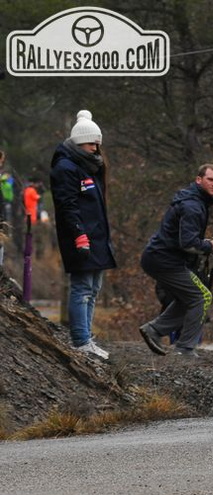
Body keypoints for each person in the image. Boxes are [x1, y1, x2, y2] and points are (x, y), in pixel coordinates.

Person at [139, 164, 213, 358]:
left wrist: (207, 243)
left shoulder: (195, 201)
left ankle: (153, 330)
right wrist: (209, 246)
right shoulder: (193, 206)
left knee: (188, 297)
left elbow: (184, 240)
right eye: (210, 180)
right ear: (199, 180)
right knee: (202, 296)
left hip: (159, 258)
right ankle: (186, 348)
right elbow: (188, 243)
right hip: (164, 260)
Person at [49, 110, 116, 360]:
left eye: (97, 144)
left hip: (98, 238)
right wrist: (79, 235)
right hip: (81, 238)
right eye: (91, 143)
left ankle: (87, 337)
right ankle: (80, 341)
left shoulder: (91, 166)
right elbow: (68, 206)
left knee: (94, 288)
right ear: (78, 142)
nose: (95, 148)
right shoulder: (65, 168)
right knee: (82, 288)